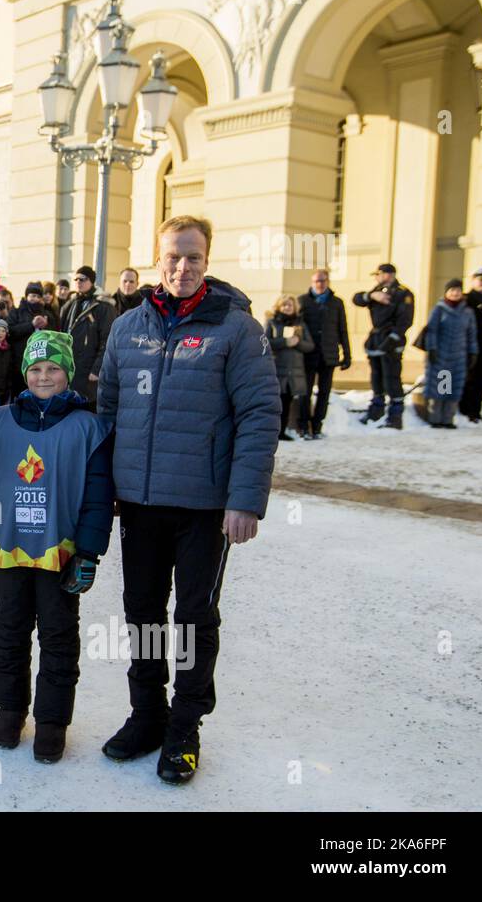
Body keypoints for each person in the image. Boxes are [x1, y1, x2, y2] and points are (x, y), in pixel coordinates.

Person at [97, 215, 279, 784]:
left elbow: (259, 413)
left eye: (193, 257)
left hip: (204, 505)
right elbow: (107, 412)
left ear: (207, 260)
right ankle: (147, 714)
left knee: (194, 617)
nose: (182, 266)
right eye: (173, 256)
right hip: (141, 504)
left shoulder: (235, 329)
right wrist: (106, 491)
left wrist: (245, 499)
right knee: (143, 613)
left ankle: (185, 727)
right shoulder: (128, 328)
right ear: (158, 260)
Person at [0, 330, 115, 762]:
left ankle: (53, 720)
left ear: (68, 374)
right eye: (36, 369)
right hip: (9, 548)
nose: (43, 376)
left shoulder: (88, 427)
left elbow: (98, 497)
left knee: (58, 635)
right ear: (25, 373)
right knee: (10, 630)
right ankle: (11, 707)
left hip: (60, 551)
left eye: (53, 369)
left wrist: (89, 552)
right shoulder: (1, 419)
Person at [353, 263, 414, 429]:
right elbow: (357, 299)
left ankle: (395, 416)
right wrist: (371, 296)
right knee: (376, 378)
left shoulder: (402, 293)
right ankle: (376, 410)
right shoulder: (376, 291)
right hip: (376, 338)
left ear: (388, 275)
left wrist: (392, 340)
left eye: (379, 274)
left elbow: (405, 320)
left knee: (392, 378)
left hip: (392, 340)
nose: (376, 278)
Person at [296, 269, 351, 438]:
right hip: (308, 354)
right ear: (312, 283)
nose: (320, 284)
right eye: (316, 281)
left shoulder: (336, 302)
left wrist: (347, 354)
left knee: (324, 392)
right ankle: (304, 426)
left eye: (323, 280)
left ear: (327, 282)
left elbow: (343, 329)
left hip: (329, 355)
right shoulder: (302, 301)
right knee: (304, 392)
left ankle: (317, 426)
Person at [423, 279, 479, 429]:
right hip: (441, 356)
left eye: (458, 290)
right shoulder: (439, 309)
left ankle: (448, 420)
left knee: (454, 389)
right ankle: (436, 419)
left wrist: (473, 352)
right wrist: (432, 348)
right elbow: (432, 331)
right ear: (446, 292)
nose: (455, 293)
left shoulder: (468, 312)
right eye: (452, 290)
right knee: (441, 388)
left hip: (459, 357)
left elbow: (471, 334)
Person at [59, 266, 117, 403]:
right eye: (76, 279)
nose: (79, 282)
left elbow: (107, 340)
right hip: (70, 366)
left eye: (83, 279)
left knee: (87, 408)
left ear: (91, 281)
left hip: (89, 369)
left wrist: (97, 369)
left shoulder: (103, 306)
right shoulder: (70, 304)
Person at [264, 294, 315, 440]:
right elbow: (265, 342)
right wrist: (285, 342)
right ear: (279, 306)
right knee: (276, 403)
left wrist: (297, 342)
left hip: (294, 371)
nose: (287, 307)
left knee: (287, 401)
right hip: (277, 368)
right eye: (284, 305)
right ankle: (273, 431)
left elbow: (310, 346)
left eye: (290, 305)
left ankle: (282, 431)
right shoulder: (272, 322)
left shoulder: (300, 324)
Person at [460, 267, 482, 423]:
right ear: (473, 280)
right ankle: (465, 411)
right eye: (481, 279)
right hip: (471, 347)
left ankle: (476, 411)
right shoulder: (466, 299)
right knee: (469, 381)